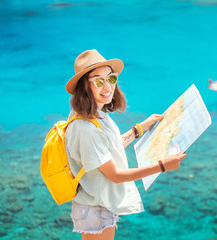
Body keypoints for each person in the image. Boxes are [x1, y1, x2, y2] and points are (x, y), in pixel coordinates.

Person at [64, 49, 187, 240]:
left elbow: (106, 150)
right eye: (98, 81)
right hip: (94, 207)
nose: (107, 87)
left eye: (111, 79)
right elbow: (115, 175)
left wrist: (138, 129)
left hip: (99, 200)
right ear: (84, 87)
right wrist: (161, 166)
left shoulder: (94, 114)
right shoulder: (85, 128)